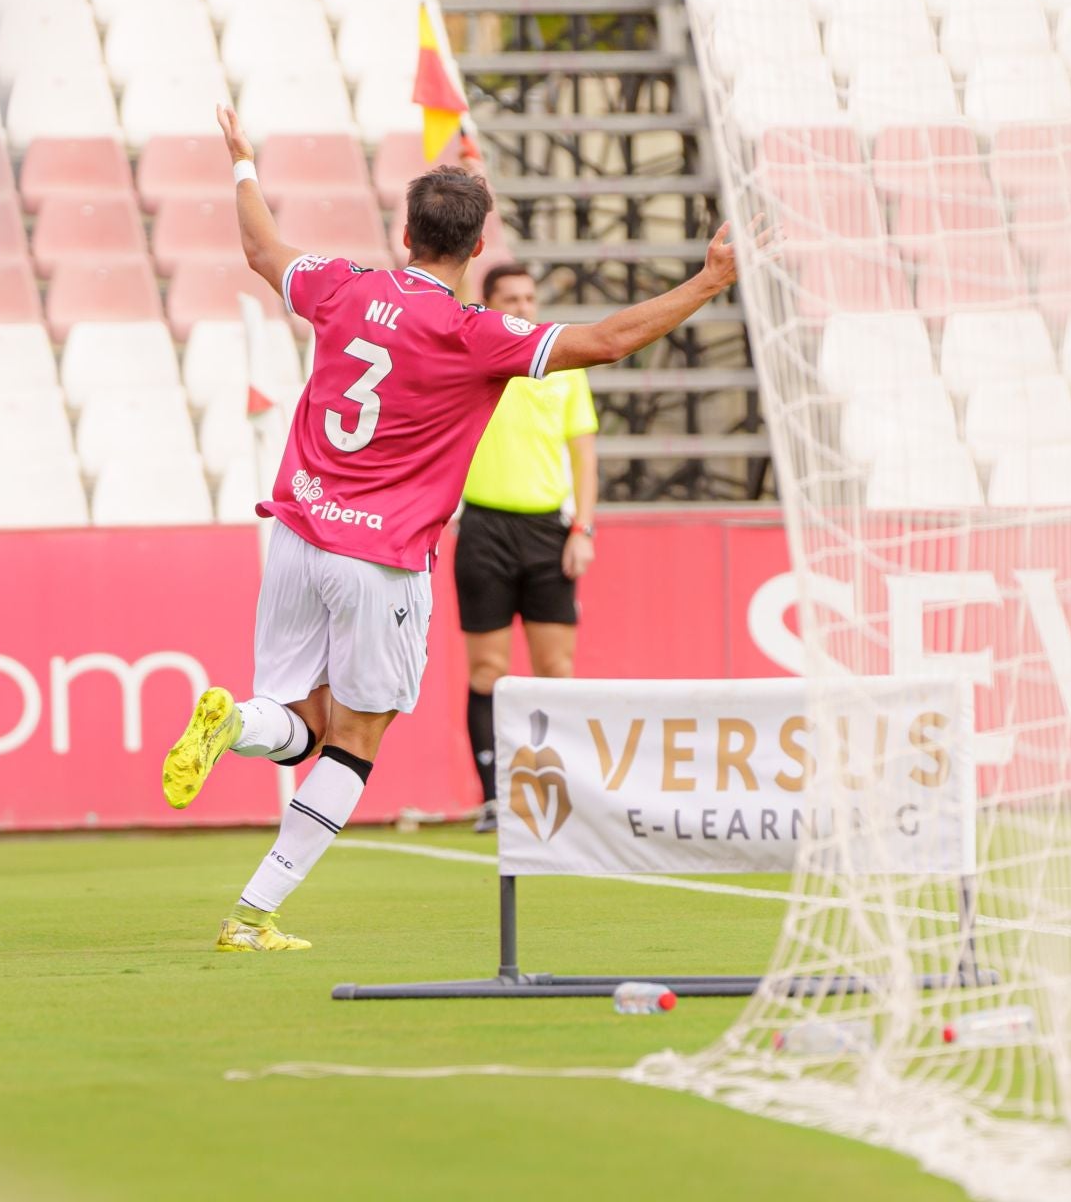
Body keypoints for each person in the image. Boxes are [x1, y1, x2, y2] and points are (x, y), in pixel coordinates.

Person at [161, 104, 748, 953]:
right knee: (355, 742)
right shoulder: (475, 333)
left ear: (404, 233)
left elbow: (259, 249)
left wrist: (244, 161)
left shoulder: (341, 285)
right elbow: (609, 339)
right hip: (380, 559)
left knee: (301, 726)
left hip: (297, 532)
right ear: (479, 249)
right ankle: (252, 913)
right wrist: (707, 283)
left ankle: (237, 725)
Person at [453, 263, 598, 833]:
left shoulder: (563, 365)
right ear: (488, 303)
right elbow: (455, 297)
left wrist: (582, 529)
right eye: (509, 298)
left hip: (548, 533)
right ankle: (493, 796)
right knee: (488, 670)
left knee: (555, 669)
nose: (523, 307)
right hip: (484, 527)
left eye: (530, 297)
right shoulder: (477, 354)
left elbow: (584, 454)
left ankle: (559, 791)